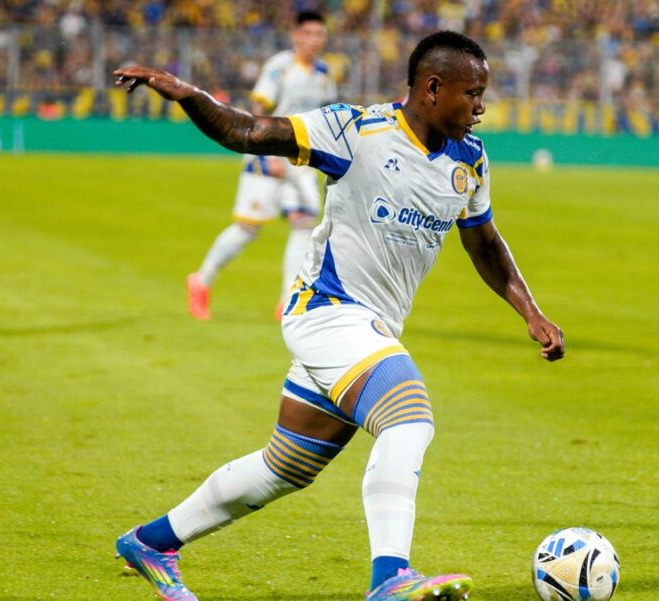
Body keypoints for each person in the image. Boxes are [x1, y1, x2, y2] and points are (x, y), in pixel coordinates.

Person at [112, 30, 565, 601]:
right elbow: (250, 131)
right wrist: (184, 93)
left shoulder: (470, 159)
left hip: (369, 328)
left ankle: (152, 542)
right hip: (327, 312)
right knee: (409, 416)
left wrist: (531, 311)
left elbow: (484, 243)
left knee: (286, 467)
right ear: (432, 87)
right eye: (472, 93)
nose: (482, 105)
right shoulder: (356, 131)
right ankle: (390, 577)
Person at [186, 10, 337, 320]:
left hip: (301, 160)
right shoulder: (280, 68)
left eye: (319, 34)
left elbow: (325, 117)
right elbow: (258, 108)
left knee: (304, 224)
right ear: (296, 35)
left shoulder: (323, 73)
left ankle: (287, 301)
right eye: (308, 33)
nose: (314, 40)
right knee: (247, 228)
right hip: (266, 158)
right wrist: (267, 153)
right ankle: (201, 280)